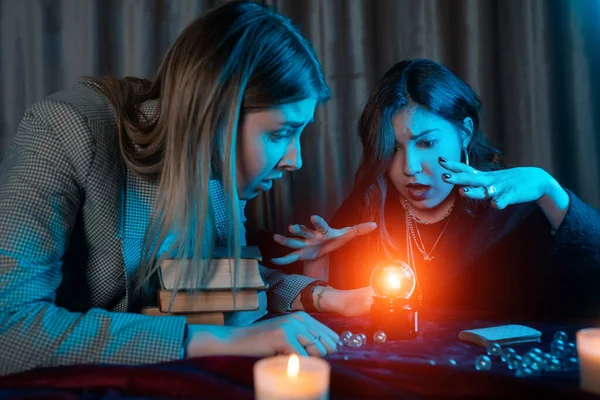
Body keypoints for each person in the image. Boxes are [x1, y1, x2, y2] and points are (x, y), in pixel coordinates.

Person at [0, 0, 380, 376]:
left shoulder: (219, 171)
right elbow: (9, 329)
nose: (294, 160)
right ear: (217, 117)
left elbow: (218, 273)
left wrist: (321, 296)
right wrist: (217, 341)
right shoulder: (63, 129)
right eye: (281, 133)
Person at [271, 58, 600, 320]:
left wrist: (549, 190)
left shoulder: (515, 208)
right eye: (394, 148)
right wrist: (317, 263)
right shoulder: (370, 205)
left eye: (426, 142)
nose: (409, 167)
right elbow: (338, 330)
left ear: (464, 133)